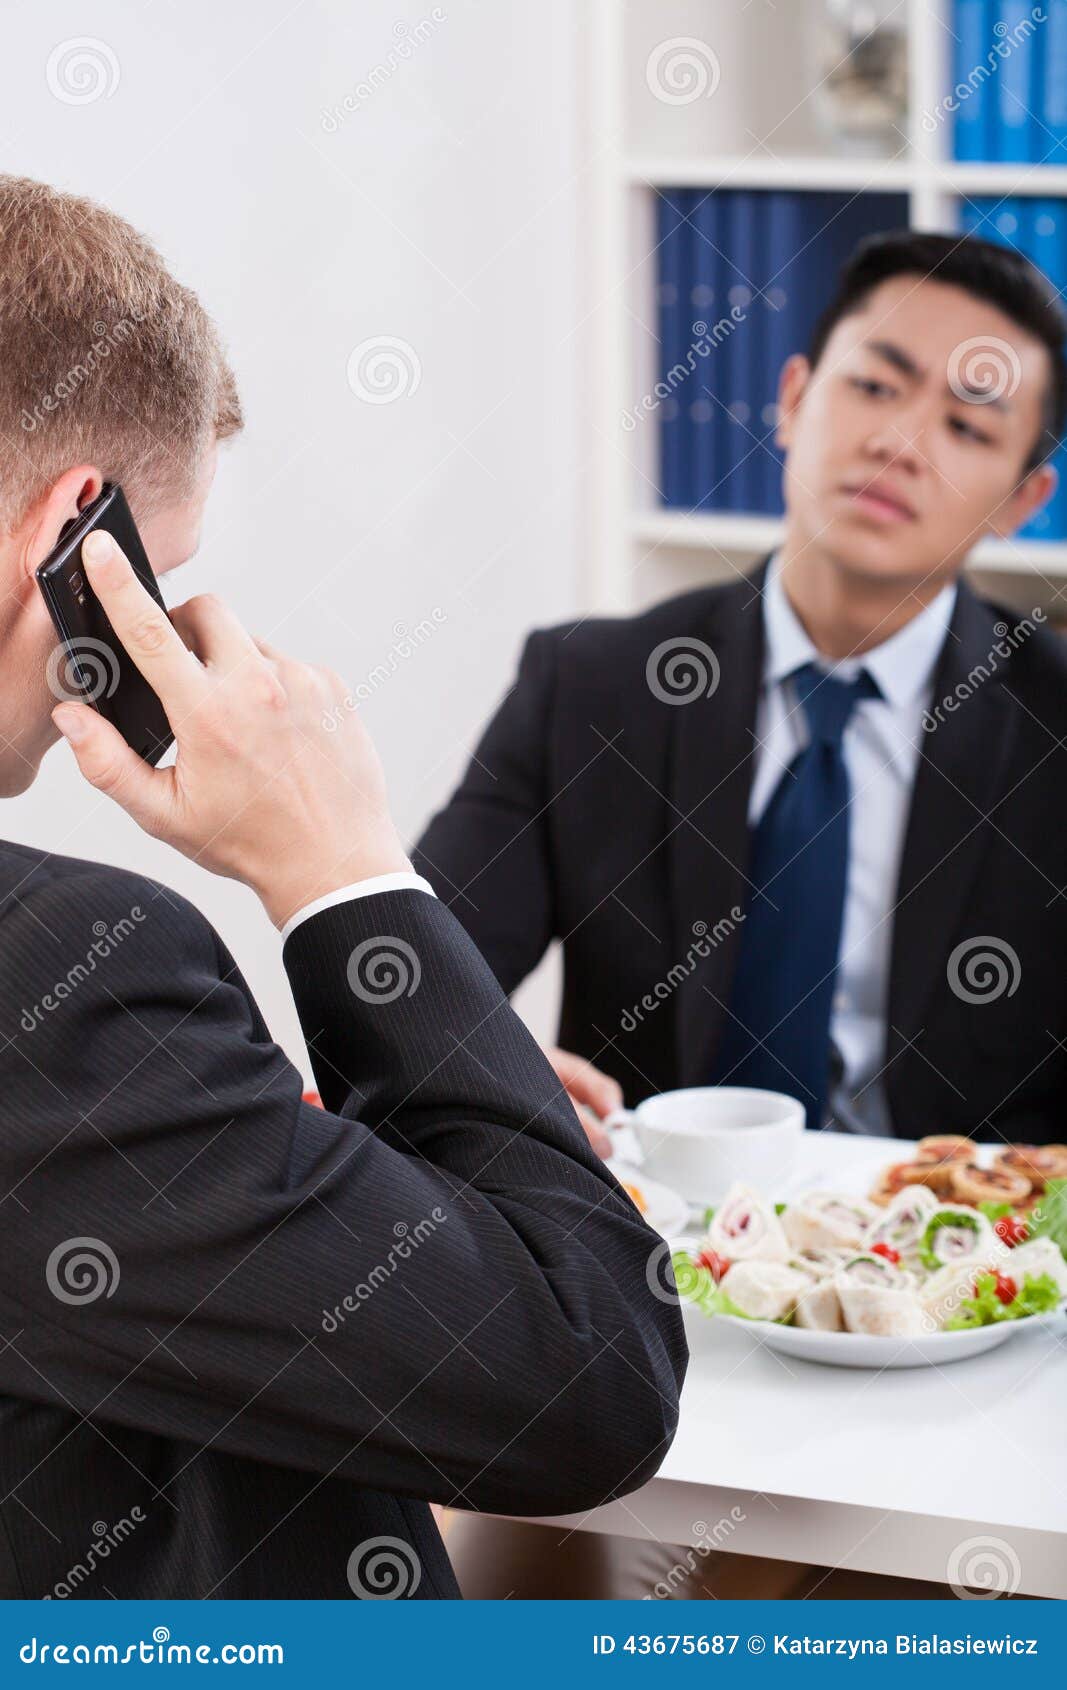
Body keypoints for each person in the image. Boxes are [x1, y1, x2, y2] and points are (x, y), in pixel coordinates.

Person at [0, 175, 687, 1600]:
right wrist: (343, 866)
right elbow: (591, 1378)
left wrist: (392, 1125)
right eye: (160, 571)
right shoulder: (64, 963)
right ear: (82, 536)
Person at [414, 228, 1067, 1595]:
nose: (900, 442)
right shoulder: (591, 684)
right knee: (483, 1608)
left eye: (966, 422)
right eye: (874, 385)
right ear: (789, 399)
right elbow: (415, 968)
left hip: (954, 1345)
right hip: (643, 1314)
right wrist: (469, 1056)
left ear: (1024, 497)